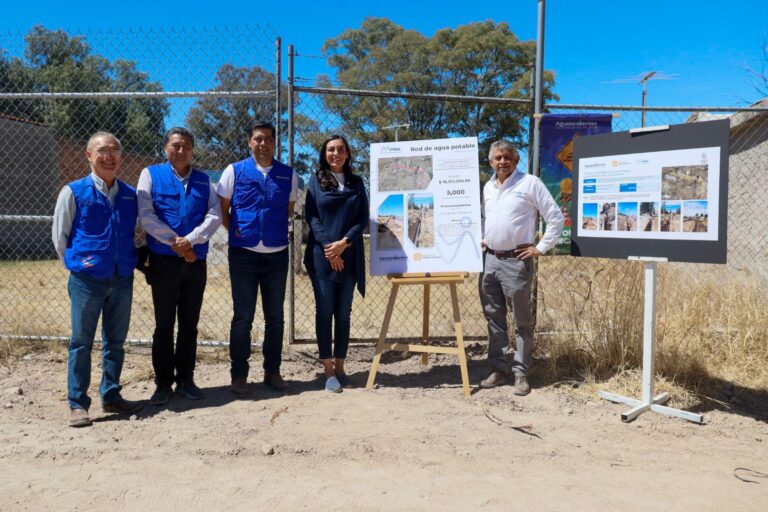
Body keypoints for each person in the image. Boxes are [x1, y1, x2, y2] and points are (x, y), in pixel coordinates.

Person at [52, 131, 144, 427]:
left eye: (114, 151)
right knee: (81, 342)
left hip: (122, 278)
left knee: (115, 342)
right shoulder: (73, 192)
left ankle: (111, 395)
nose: (109, 156)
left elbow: (137, 231)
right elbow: (60, 237)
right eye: (102, 150)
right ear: (89, 156)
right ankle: (77, 403)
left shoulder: (130, 195)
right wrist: (80, 265)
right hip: (87, 280)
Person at [137, 127, 222, 405]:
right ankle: (163, 384)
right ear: (165, 148)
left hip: (195, 263)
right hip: (163, 262)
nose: (181, 150)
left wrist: (191, 241)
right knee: (164, 325)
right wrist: (175, 242)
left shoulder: (204, 181)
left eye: (186, 146)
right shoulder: (150, 175)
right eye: (176, 145)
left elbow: (214, 215)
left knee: (189, 325)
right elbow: (146, 215)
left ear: (193, 150)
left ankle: (186, 379)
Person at [217, 121, 298, 397]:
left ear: (275, 143)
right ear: (250, 142)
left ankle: (272, 371)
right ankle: (239, 374)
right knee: (243, 317)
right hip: (243, 255)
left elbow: (288, 210)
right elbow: (223, 209)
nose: (263, 144)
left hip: (277, 255)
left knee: (275, 317)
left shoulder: (288, 174)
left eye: (268, 139)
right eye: (258, 139)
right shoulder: (234, 171)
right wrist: (240, 233)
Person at [479, 140, 564, 395]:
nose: (502, 162)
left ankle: (521, 373)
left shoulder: (530, 183)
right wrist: (482, 238)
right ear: (491, 161)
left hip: (516, 261)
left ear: (516, 160)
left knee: (521, 320)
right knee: (493, 317)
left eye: (507, 157)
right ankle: (498, 368)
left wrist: (541, 247)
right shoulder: (488, 187)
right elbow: (486, 219)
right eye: (497, 158)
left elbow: (555, 217)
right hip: (489, 260)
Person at [304, 135, 369, 392]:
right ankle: (328, 370)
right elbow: (312, 217)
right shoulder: (315, 181)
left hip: (349, 257)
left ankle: (341, 366)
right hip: (322, 258)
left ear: (347, 154)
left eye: (340, 149)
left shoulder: (357, 182)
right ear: (324, 154)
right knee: (325, 311)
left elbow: (362, 218)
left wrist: (344, 243)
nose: (335, 153)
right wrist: (331, 249)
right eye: (330, 149)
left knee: (343, 314)